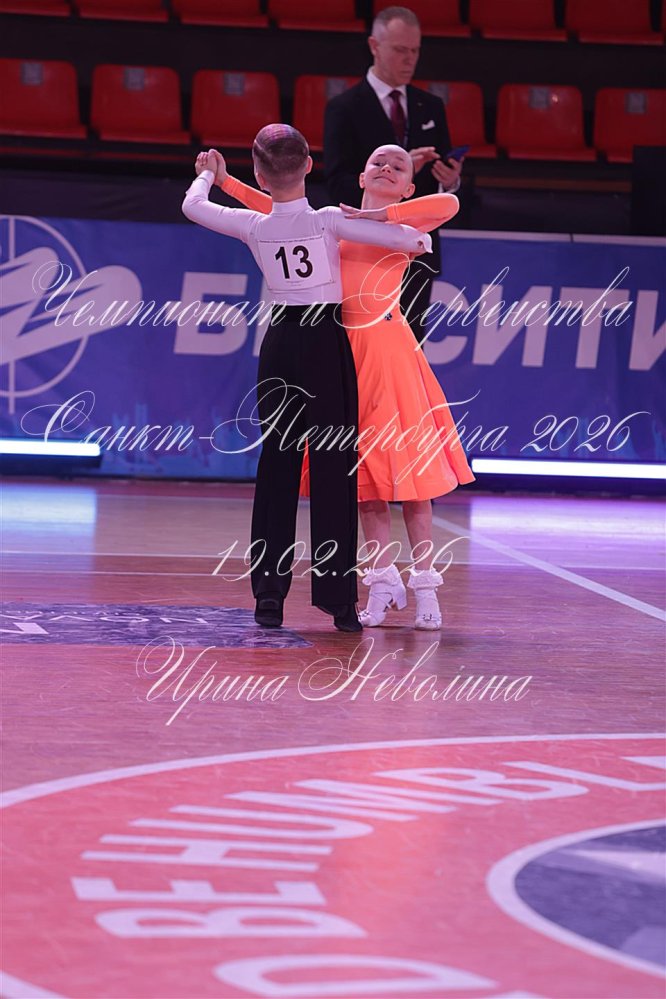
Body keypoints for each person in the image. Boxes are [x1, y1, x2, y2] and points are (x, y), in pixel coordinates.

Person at [213, 143, 474, 631]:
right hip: (336, 352)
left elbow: (450, 202)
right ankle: (380, 581)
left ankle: (425, 585)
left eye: (398, 166)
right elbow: (274, 207)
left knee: (410, 477)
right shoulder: (328, 221)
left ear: (408, 188)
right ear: (360, 175)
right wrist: (226, 183)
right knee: (363, 478)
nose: (386, 167)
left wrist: (380, 214)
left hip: (389, 356)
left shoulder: (404, 223)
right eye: (377, 161)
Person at [323, 5, 463, 342]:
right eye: (401, 50)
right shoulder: (344, 108)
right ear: (374, 46)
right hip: (361, 254)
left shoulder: (431, 106)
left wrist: (449, 181)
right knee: (356, 347)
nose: (410, 59)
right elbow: (337, 184)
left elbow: (441, 185)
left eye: (415, 50)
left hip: (415, 253)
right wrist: (394, 175)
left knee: (410, 347)